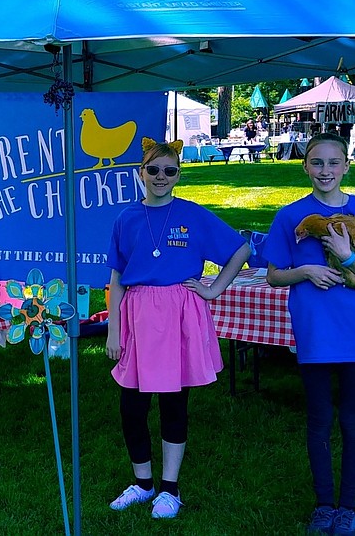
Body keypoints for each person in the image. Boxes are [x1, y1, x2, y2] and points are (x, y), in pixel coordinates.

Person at [262, 132, 355, 536]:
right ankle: (324, 505)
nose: (325, 170)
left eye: (333, 163)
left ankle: (348, 507)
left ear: (346, 166)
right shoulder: (290, 217)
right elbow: (272, 276)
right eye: (317, 162)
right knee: (319, 417)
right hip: (316, 331)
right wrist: (305, 271)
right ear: (305, 166)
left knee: (353, 419)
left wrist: (347, 258)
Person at [104, 141, 250, 521]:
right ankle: (143, 482)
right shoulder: (126, 219)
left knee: (173, 403)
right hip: (137, 315)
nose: (161, 178)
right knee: (131, 406)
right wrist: (113, 330)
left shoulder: (193, 215)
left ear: (178, 175)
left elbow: (240, 249)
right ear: (141, 173)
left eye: (170, 171)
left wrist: (214, 288)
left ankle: (170, 487)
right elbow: (117, 278)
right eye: (154, 170)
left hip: (179, 316)